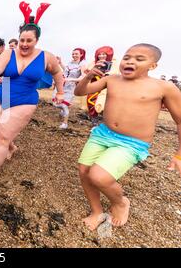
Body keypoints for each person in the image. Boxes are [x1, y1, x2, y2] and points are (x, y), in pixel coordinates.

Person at [74, 43, 181, 230]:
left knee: (99, 176)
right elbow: (80, 92)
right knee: (84, 171)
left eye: (139, 59)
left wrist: (179, 153)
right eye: (127, 57)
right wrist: (89, 75)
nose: (130, 62)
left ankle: (121, 202)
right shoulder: (112, 79)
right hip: (103, 134)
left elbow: (179, 120)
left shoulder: (163, 87)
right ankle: (97, 211)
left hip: (132, 142)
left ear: (153, 65)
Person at [0, 9, 64, 188]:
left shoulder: (46, 57)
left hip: (25, 101)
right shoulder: (9, 53)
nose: (24, 44)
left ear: (36, 40)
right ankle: (11, 147)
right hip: (2, 95)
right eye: (22, 40)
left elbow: (58, 72)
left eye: (29, 40)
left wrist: (60, 92)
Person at [52, 48, 87, 129]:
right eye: (73, 53)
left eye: (76, 54)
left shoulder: (82, 65)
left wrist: (70, 79)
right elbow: (66, 71)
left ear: (81, 54)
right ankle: (62, 111)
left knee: (64, 105)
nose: (74, 55)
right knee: (55, 103)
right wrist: (60, 63)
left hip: (71, 87)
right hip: (62, 85)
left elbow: (83, 77)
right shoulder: (70, 63)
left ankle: (65, 123)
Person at [85, 46, 119, 125]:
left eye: (104, 54)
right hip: (94, 86)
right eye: (99, 54)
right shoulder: (93, 63)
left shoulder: (114, 63)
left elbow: (115, 73)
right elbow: (87, 72)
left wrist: (107, 75)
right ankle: (94, 121)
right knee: (91, 102)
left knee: (107, 104)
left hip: (108, 87)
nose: (101, 56)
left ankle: (107, 122)